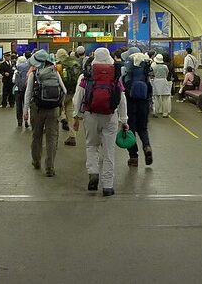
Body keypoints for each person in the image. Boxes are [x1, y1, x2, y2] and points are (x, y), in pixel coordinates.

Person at [72, 47, 128, 196]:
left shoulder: (87, 75)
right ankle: (108, 186)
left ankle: (93, 173)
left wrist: (76, 116)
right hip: (110, 116)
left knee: (91, 145)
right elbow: (122, 99)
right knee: (109, 152)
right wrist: (124, 119)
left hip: (90, 115)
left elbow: (78, 96)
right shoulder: (115, 75)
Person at [24, 50, 66, 177]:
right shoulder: (54, 72)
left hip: (37, 109)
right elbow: (64, 90)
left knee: (36, 136)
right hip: (53, 110)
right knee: (52, 138)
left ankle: (36, 161)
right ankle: (50, 167)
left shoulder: (34, 73)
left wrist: (26, 111)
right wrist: (59, 105)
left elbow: (28, 93)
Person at [123, 49, 152, 166]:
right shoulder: (145, 69)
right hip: (143, 103)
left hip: (130, 104)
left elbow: (122, 86)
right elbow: (150, 89)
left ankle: (133, 157)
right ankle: (147, 146)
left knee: (130, 130)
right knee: (143, 129)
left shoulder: (127, 70)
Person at [56, 48, 81, 146]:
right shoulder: (75, 62)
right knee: (70, 114)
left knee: (56, 114)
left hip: (62, 94)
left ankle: (54, 136)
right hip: (72, 92)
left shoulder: (59, 66)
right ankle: (72, 136)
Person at [151, 53, 172, 118]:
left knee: (156, 98)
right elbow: (167, 73)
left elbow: (152, 74)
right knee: (165, 98)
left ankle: (155, 112)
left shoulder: (153, 67)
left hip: (156, 81)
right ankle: (165, 113)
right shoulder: (165, 67)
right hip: (164, 81)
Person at [14, 55, 31, 128]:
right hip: (26, 90)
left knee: (18, 106)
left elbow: (14, 80)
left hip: (18, 90)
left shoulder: (16, 69)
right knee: (26, 105)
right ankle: (26, 120)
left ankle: (19, 122)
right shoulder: (28, 69)